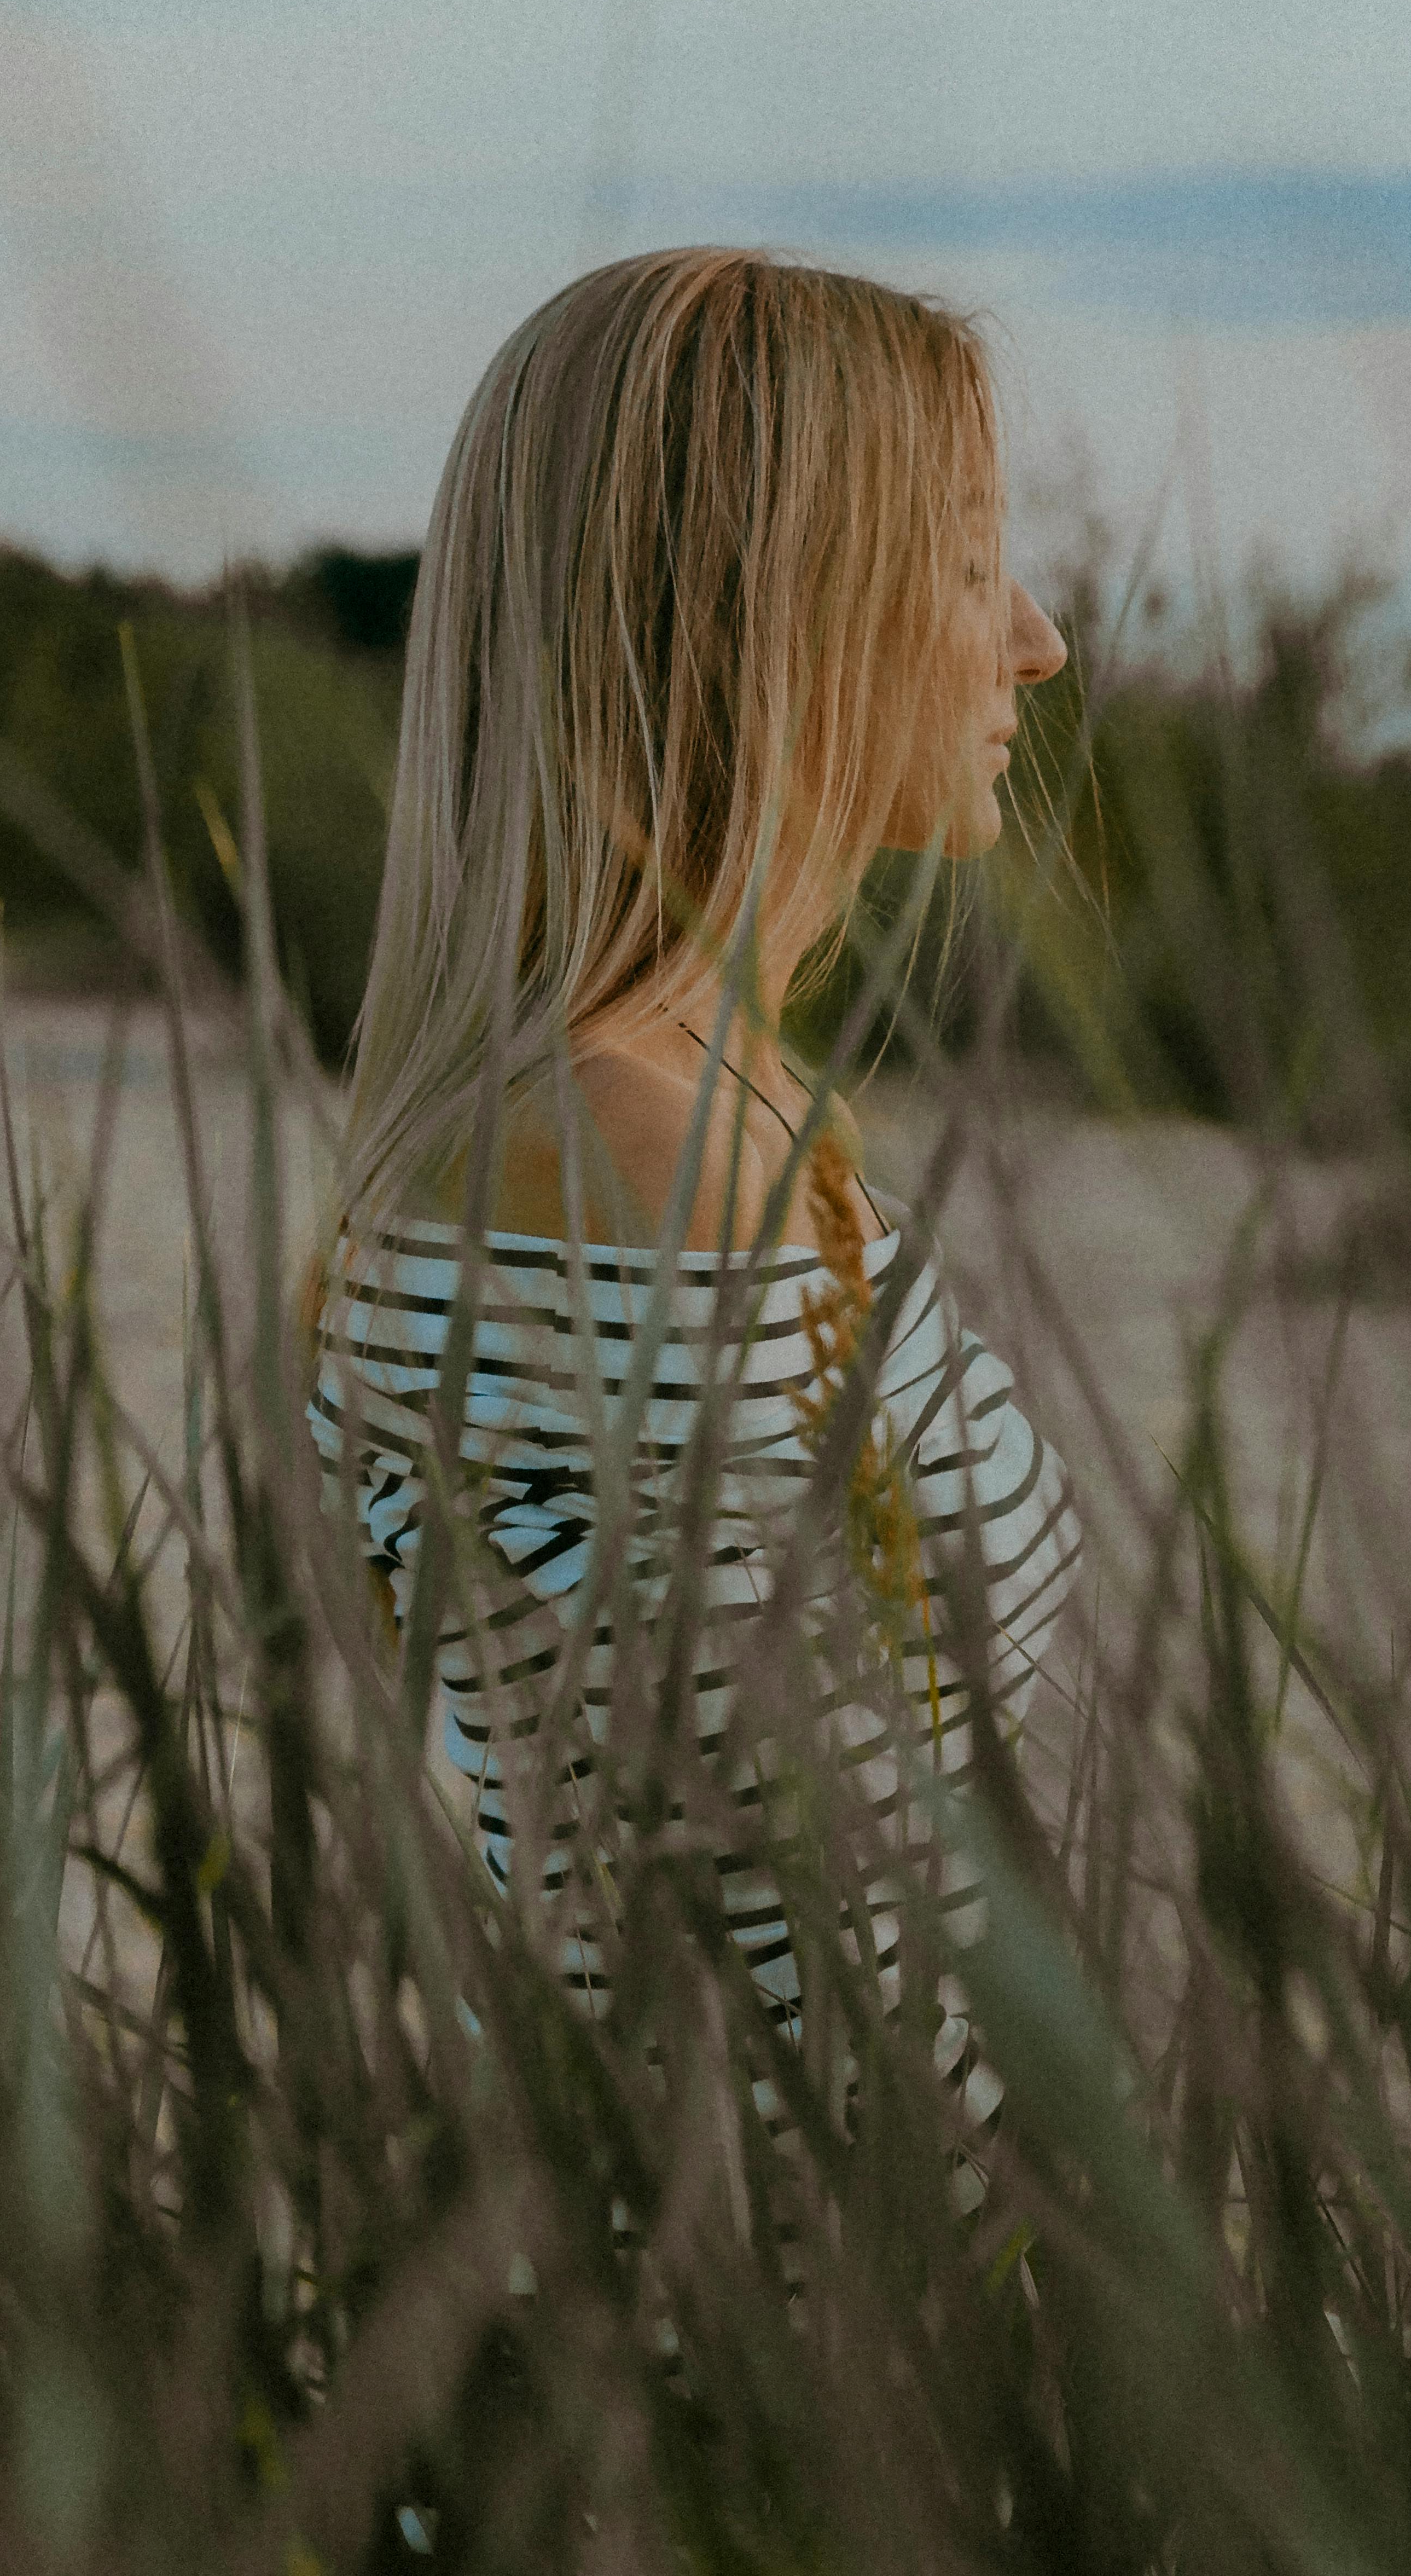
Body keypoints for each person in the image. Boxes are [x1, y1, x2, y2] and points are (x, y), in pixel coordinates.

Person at [309, 247, 1082, 2060]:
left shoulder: (651, 1111)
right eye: (971, 560)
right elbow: (788, 1938)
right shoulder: (639, 1153)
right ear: (770, 608)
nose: (1037, 635)